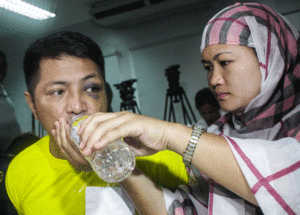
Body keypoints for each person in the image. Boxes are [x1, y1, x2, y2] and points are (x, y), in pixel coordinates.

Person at [70, 3, 300, 215]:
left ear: (269, 58)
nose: (214, 79)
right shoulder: (219, 136)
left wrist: (168, 133)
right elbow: (182, 210)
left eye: (225, 62)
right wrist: (118, 163)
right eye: (208, 67)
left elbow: (289, 187)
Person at [5, 31, 189, 214]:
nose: (77, 107)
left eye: (91, 88)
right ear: (33, 105)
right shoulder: (21, 170)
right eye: (58, 92)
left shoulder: (158, 158)